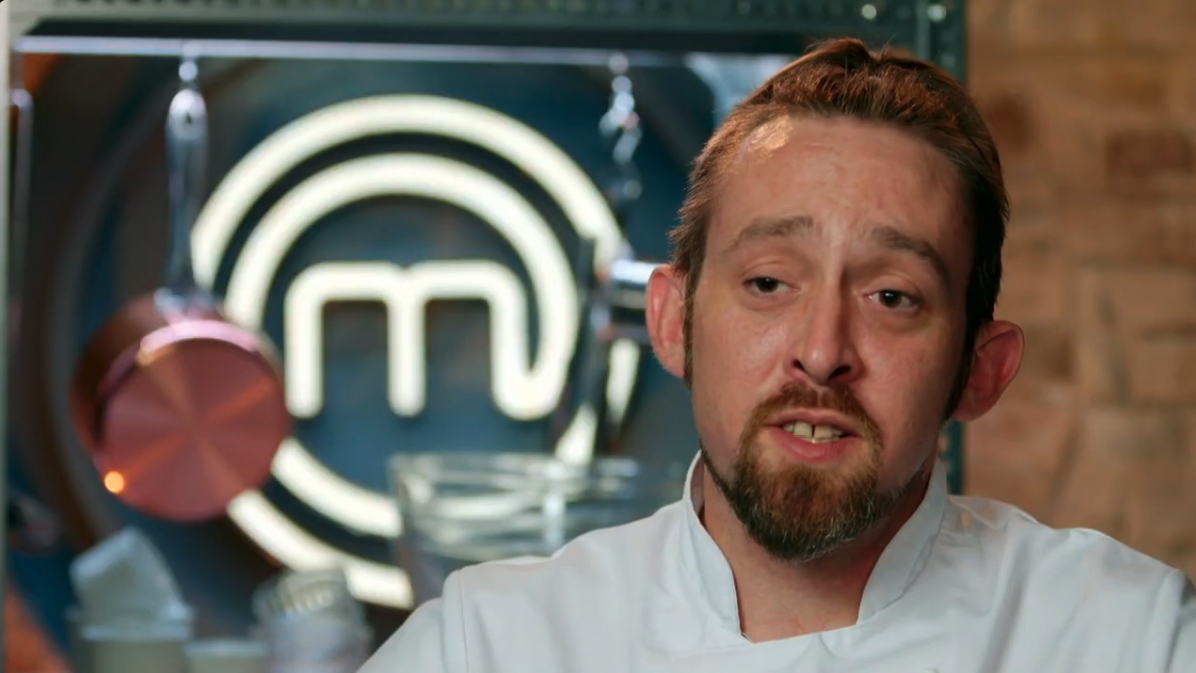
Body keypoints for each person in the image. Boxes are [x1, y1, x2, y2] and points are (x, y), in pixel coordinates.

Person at [359, 37, 1196, 672]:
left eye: (892, 296)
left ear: (981, 370)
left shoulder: (1128, 636)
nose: (822, 351)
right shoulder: (489, 645)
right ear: (674, 318)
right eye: (768, 282)